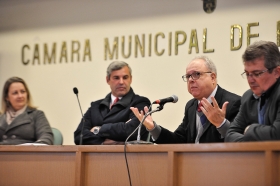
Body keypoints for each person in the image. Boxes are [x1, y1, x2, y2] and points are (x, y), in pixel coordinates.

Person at [131, 56, 241, 143]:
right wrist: (153, 128)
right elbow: (178, 140)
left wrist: (221, 124)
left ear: (213, 77)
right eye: (188, 76)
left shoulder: (234, 103)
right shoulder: (191, 106)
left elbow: (241, 142)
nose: (191, 80)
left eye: (197, 74)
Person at [74, 61, 151, 145]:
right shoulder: (95, 107)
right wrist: (103, 142)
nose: (121, 82)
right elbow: (79, 136)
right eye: (116, 78)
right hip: (96, 156)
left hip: (128, 157)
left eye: (125, 77)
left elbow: (132, 131)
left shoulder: (141, 103)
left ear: (130, 79)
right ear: (108, 80)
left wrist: (99, 129)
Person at [225, 41, 280, 142]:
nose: (250, 80)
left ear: (277, 72)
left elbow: (276, 134)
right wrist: (251, 140)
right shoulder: (248, 96)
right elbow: (230, 135)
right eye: (247, 74)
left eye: (257, 73)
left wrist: (249, 130)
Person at [0, 77, 53, 145]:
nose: (20, 96)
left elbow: (46, 137)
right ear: (7, 97)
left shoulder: (37, 115)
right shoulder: (1, 116)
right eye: (15, 93)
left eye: (23, 92)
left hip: (27, 154)